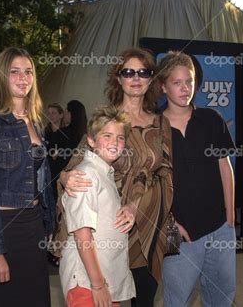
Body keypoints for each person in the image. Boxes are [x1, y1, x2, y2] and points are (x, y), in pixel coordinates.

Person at [57, 47, 173, 307]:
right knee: (103, 294)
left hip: (145, 227)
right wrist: (65, 178)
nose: (136, 77)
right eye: (128, 71)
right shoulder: (106, 120)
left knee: (143, 299)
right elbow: (78, 163)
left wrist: (136, 204)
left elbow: (166, 173)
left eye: (144, 72)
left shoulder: (161, 124)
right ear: (118, 78)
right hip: (104, 229)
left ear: (152, 79)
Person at [0, 47, 54, 307]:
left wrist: (48, 223)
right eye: (14, 72)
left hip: (33, 226)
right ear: (1, 77)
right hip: (4, 229)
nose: (23, 78)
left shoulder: (36, 122)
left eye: (28, 72)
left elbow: (41, 178)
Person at [158, 51, 236, 307]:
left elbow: (225, 167)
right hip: (180, 233)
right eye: (177, 82)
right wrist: (170, 223)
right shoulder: (153, 128)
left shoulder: (211, 119)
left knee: (221, 298)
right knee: (177, 301)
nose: (185, 88)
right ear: (163, 86)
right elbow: (152, 184)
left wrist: (230, 219)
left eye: (189, 81)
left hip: (220, 227)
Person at [59, 105, 135, 307]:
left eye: (120, 137)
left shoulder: (104, 173)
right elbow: (82, 234)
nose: (115, 142)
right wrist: (98, 284)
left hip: (104, 279)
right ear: (91, 141)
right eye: (107, 136)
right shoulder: (87, 174)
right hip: (88, 283)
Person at [45, 103, 76, 199]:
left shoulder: (67, 133)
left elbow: (67, 153)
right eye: (49, 113)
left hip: (60, 172)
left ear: (61, 115)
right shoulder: (45, 133)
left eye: (53, 113)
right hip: (46, 171)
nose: (50, 116)